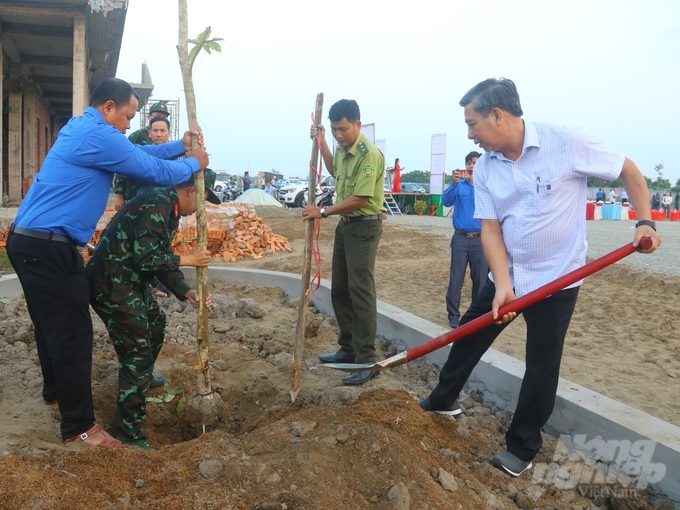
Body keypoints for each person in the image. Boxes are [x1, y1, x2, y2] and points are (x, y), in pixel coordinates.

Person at [418, 78, 660, 478]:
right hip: (509, 275)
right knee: (468, 335)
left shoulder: (565, 142)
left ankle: (522, 447)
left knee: (542, 364)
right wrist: (503, 284)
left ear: (497, 115)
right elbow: (491, 229)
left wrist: (645, 221)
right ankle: (444, 399)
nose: (470, 134)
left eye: (472, 123)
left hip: (558, 280)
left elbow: (628, 171)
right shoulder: (486, 170)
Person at [6, 78, 209, 448]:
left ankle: (55, 391)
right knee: (73, 335)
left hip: (30, 241)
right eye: (128, 116)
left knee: (50, 325)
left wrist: (179, 147)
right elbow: (153, 172)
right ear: (109, 107)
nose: (130, 125)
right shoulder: (98, 133)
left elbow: (142, 159)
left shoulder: (84, 128)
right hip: (49, 246)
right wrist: (193, 162)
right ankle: (79, 428)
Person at [85, 170, 220, 449]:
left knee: (156, 322)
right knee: (138, 349)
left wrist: (188, 292)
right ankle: (127, 430)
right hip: (111, 282)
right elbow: (145, 258)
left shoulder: (170, 210)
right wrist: (188, 258)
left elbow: (160, 263)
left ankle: (142, 378)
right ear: (192, 191)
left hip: (129, 281)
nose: (200, 210)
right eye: (203, 202)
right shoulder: (157, 202)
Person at [302, 99, 386, 385]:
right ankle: (348, 347)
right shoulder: (343, 150)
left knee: (360, 292)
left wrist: (323, 211)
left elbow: (360, 199)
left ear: (357, 125)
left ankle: (366, 359)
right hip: (346, 227)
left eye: (343, 129)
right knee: (340, 289)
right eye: (335, 129)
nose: (339, 134)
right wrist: (322, 141)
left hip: (364, 228)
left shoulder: (368, 154)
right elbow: (334, 170)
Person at [443, 151, 488, 329]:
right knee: (456, 278)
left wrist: (478, 185)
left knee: (480, 279)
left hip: (481, 239)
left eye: (475, 163)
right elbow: (446, 202)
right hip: (460, 239)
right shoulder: (458, 185)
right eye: (469, 163)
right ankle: (453, 315)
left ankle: (476, 316)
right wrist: (453, 184)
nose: (471, 166)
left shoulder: (486, 185)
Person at [115, 102, 172, 210]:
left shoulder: (169, 146)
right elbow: (123, 164)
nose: (159, 134)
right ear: (149, 117)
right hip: (136, 190)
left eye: (164, 117)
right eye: (157, 116)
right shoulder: (137, 136)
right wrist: (120, 194)